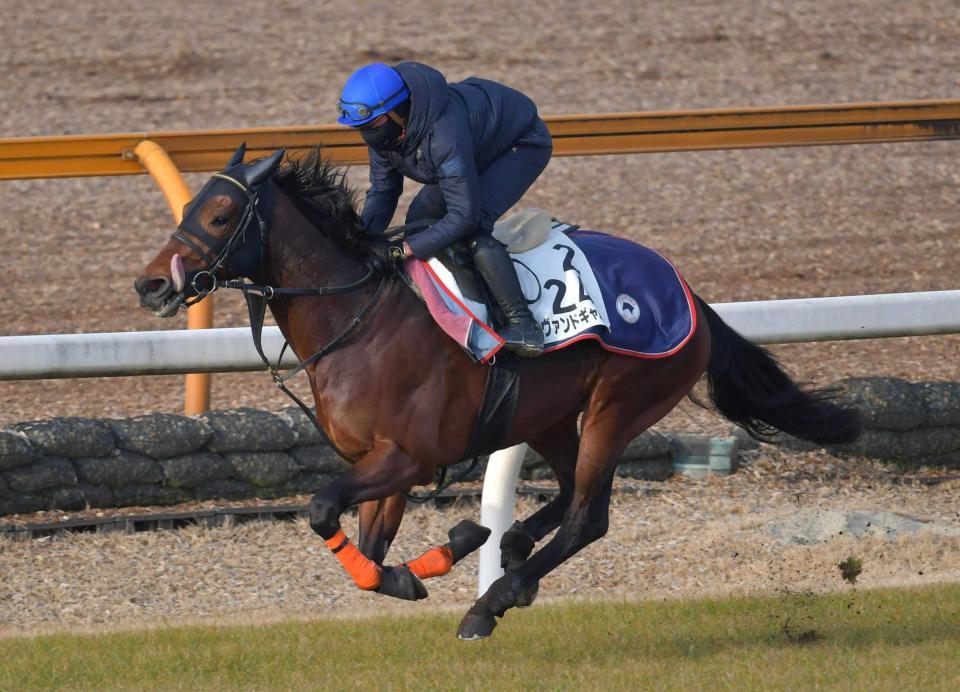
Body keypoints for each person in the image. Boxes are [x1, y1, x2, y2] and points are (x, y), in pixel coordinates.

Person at [336, 62, 552, 357]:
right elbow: (384, 191)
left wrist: (402, 250)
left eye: (370, 126)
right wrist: (359, 241)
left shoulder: (442, 133)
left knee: (473, 229)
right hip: (475, 147)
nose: (366, 135)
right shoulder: (386, 131)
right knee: (419, 221)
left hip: (520, 145)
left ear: (397, 112)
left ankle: (523, 325)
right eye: (360, 129)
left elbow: (464, 215)